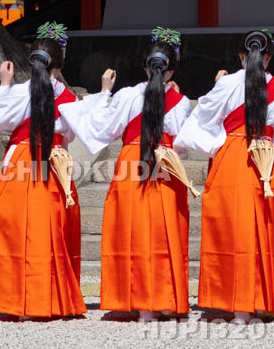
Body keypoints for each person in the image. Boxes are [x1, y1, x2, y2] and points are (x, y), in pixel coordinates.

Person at [59, 28, 193, 321]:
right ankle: (164, 299)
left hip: (132, 160)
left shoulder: (128, 95)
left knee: (132, 228)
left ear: (145, 66)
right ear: (171, 70)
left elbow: (103, 129)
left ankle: (136, 299)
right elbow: (182, 141)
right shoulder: (180, 102)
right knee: (163, 230)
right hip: (164, 163)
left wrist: (105, 92)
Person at [172, 29, 274, 324]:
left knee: (228, 229)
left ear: (241, 55)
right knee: (260, 229)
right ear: (268, 57)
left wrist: (218, 138)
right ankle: (256, 299)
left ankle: (229, 301)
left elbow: (203, 119)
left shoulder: (226, 83)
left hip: (232, 155)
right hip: (263, 158)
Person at [0, 25, 86, 320]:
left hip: (21, 158)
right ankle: (50, 298)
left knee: (16, 228)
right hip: (53, 159)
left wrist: (4, 85)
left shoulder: (19, 92)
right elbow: (72, 133)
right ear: (60, 62)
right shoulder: (68, 98)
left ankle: (17, 300)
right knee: (50, 228)